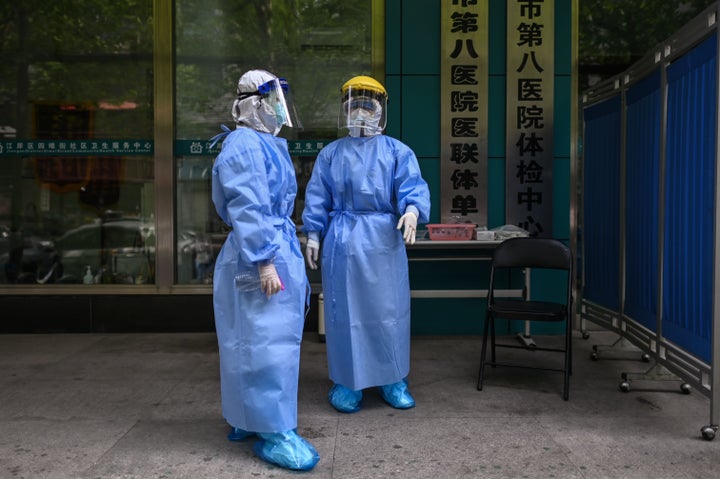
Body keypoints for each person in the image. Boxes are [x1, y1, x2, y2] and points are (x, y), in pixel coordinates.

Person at [210, 69, 319, 471]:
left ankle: (245, 418)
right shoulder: (243, 144)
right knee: (267, 343)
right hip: (259, 253)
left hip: (267, 247)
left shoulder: (265, 143)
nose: (279, 108)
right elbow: (247, 205)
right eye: (272, 99)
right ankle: (273, 431)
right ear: (253, 102)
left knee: (250, 339)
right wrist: (264, 259)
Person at [301, 75, 431, 413]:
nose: (360, 112)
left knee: (388, 313)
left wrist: (413, 210)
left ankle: (393, 379)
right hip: (342, 240)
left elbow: (412, 187)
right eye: (353, 105)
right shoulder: (331, 154)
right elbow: (318, 196)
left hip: (383, 240)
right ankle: (347, 382)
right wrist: (313, 233)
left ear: (380, 110)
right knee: (344, 314)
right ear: (344, 110)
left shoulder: (397, 152)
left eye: (367, 106)